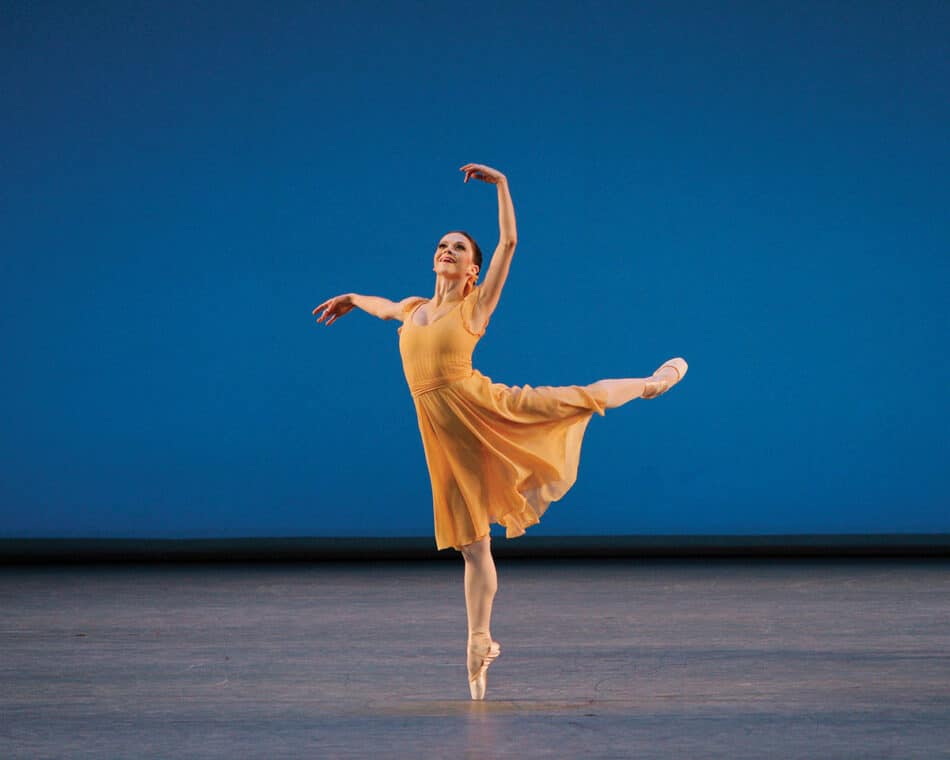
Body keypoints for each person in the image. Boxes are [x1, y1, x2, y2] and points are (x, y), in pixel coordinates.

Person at [313, 163, 687, 700]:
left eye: (459, 248)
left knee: (577, 399)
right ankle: (478, 643)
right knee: (472, 546)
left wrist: (504, 186)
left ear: (471, 271)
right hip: (443, 438)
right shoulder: (414, 309)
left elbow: (509, 242)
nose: (447, 250)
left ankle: (653, 384)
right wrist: (351, 297)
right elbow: (383, 308)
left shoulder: (474, 306)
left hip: (487, 408)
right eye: (442, 244)